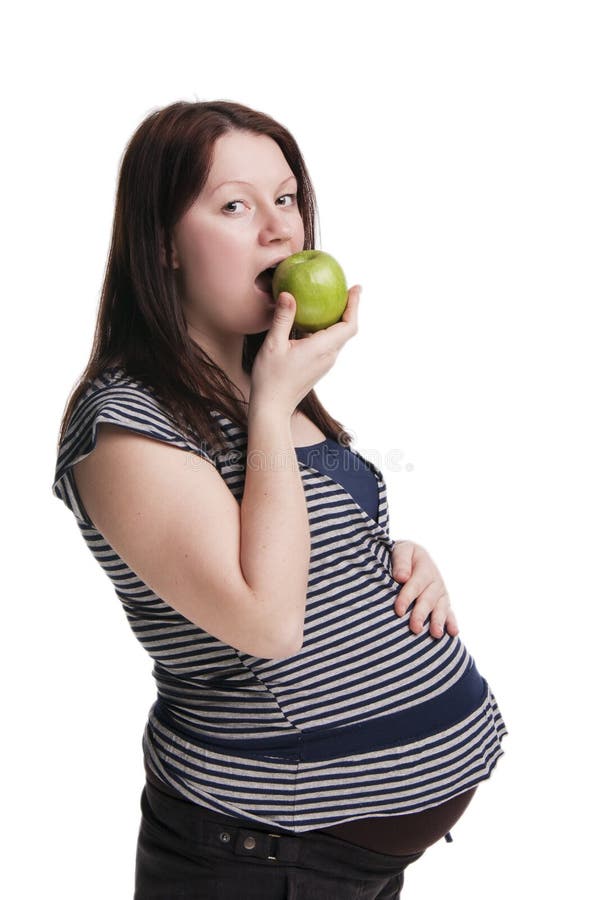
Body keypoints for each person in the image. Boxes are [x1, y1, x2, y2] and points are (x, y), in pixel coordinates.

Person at [52, 99, 508, 899]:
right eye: (235, 205)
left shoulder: (263, 379)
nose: (279, 231)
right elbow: (266, 622)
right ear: (162, 244)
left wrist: (393, 562)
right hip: (258, 856)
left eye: (287, 199)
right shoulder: (127, 421)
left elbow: (296, 539)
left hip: (346, 857)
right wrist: (270, 405)